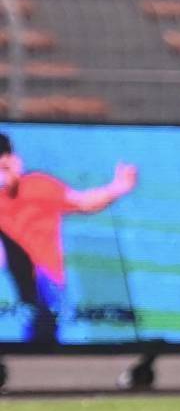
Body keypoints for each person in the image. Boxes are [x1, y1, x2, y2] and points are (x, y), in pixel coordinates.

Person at [0, 133, 136, 344]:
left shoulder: (37, 186)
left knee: (44, 338)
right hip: (14, 287)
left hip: (47, 285)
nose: (3, 176)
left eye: (6, 167)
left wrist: (117, 188)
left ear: (16, 161)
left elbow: (83, 202)